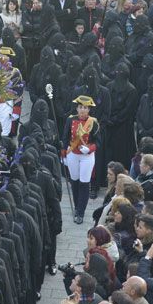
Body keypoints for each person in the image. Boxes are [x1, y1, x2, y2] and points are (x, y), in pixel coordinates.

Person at [63, 96, 99, 224]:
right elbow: (65, 137)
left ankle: (80, 212)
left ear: (89, 109)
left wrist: (89, 149)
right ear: (77, 108)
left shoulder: (93, 122)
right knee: (74, 181)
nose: (82, 110)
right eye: (80, 107)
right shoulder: (70, 120)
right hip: (73, 153)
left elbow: (99, 141)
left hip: (87, 156)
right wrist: (64, 152)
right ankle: (77, 205)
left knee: (84, 182)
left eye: (85, 108)